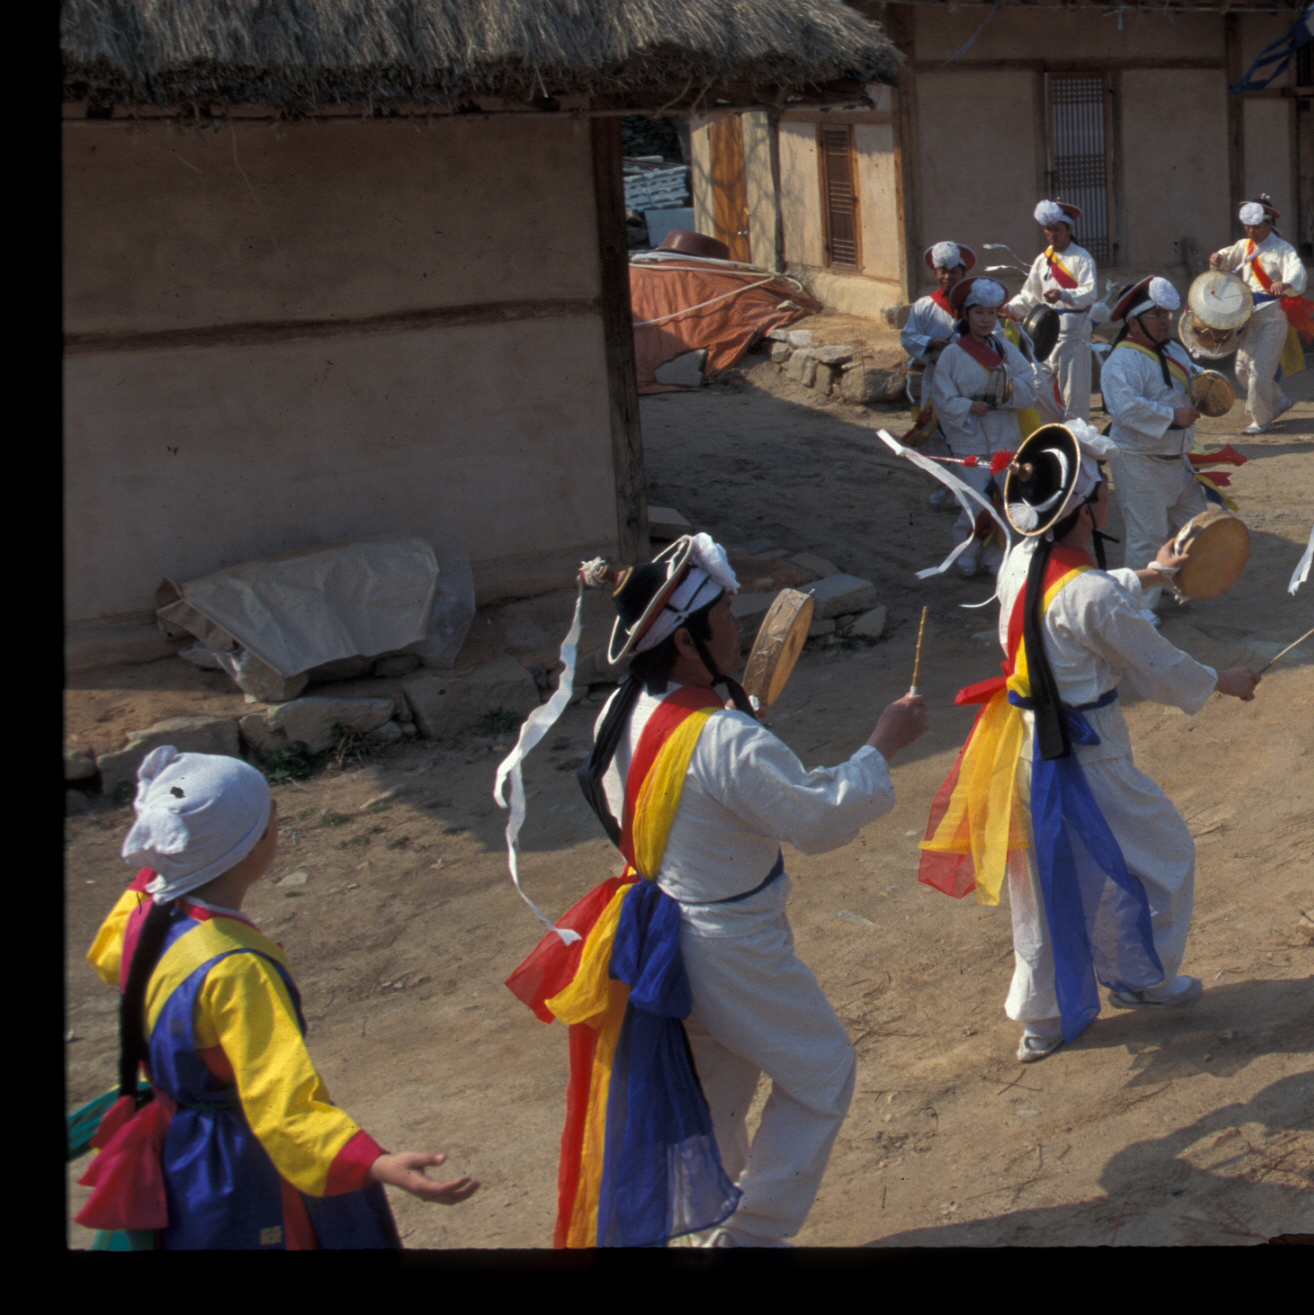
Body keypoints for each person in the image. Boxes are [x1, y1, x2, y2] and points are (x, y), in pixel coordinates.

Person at [497, 535, 926, 1247]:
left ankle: (707, 1221)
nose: (739, 623)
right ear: (689, 641)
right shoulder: (723, 737)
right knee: (822, 1072)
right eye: (726, 611)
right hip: (730, 943)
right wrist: (880, 745)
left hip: (661, 932)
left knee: (717, 1091)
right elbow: (818, 817)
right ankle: (749, 1236)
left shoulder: (619, 715)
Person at [920, 422, 1260, 1064]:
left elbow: (1083, 600)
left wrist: (1153, 575)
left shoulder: (1023, 560)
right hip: (1089, 750)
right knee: (1164, 853)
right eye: (1101, 486)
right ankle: (1146, 977)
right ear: (1085, 509)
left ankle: (1041, 1019)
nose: (1109, 492)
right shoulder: (1091, 594)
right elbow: (1155, 664)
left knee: (1041, 884)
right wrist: (1223, 681)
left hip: (1022, 744)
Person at [78, 749, 479, 1249]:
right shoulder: (236, 968)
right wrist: (374, 1163)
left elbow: (108, 955)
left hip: (177, 1148)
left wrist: (165, 862)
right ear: (252, 850)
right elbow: (280, 1100)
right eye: (271, 819)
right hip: (240, 1165)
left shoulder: (144, 916)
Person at [930, 275, 1046, 575]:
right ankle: (967, 553)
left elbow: (1029, 386)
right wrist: (969, 406)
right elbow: (943, 398)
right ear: (966, 315)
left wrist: (1005, 397)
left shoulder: (1007, 349)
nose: (985, 319)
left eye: (991, 313)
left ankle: (998, 557)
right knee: (975, 502)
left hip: (1005, 438)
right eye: (978, 312)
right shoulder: (952, 356)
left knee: (1006, 502)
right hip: (970, 440)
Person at [1099, 275, 1212, 577]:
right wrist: (1172, 416)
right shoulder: (1121, 360)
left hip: (1177, 459)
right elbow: (1125, 408)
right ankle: (1139, 605)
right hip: (1139, 461)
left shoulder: (1173, 350)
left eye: (1166, 314)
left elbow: (1195, 375)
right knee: (1147, 536)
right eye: (1155, 314)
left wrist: (1210, 387)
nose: (1164, 321)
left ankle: (1175, 584)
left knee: (1196, 526)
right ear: (1134, 323)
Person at [1209, 197, 1314, 433]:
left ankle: (1261, 420)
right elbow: (1225, 260)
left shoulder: (1283, 248)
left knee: (1259, 373)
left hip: (1273, 317)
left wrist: (1285, 282)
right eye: (1248, 226)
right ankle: (1279, 402)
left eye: (1256, 226)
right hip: (1249, 317)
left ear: (1269, 224)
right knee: (1241, 371)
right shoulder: (1243, 246)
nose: (1251, 231)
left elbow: (1296, 270)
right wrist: (1217, 259)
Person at [1013, 201, 1100, 418]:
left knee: (1074, 395)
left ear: (1070, 229)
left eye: (1057, 229)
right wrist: (1008, 307)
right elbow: (1030, 295)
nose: (1051, 234)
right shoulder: (1042, 261)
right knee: (1037, 386)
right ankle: (1053, 430)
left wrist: (1065, 294)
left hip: (1073, 334)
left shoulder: (1082, 258)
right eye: (1048, 229)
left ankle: (1076, 439)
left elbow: (1090, 293)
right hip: (1044, 334)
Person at [901, 242, 976, 491]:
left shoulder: (974, 306)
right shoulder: (924, 306)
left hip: (968, 379)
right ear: (935, 273)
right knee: (932, 431)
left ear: (963, 272)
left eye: (953, 271)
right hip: (935, 376)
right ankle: (939, 486)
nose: (947, 276)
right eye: (942, 271)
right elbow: (908, 336)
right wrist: (930, 342)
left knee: (966, 429)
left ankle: (967, 487)